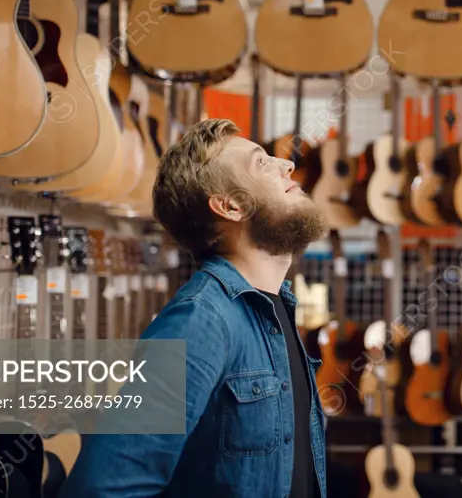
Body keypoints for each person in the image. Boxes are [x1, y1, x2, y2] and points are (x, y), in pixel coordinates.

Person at [59, 118, 330, 498]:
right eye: (261, 162)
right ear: (230, 206)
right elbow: (102, 487)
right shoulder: (201, 320)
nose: (286, 164)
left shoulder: (274, 306)